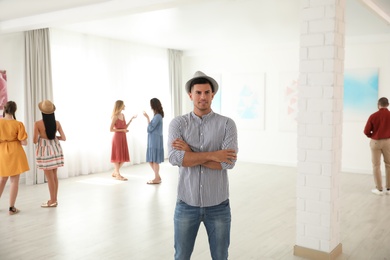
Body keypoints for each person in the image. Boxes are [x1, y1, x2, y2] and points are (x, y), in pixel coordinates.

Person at [168, 71, 238, 260]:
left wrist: (190, 153)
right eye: (198, 93)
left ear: (213, 95)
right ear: (190, 95)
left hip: (218, 205)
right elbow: (175, 158)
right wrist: (214, 155)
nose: (203, 97)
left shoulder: (227, 124)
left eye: (207, 92)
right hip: (186, 203)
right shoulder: (178, 124)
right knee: (181, 256)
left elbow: (227, 163)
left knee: (220, 256)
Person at [33, 100, 66, 208]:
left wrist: (41, 136)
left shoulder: (38, 124)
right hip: (55, 149)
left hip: (45, 151)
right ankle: (54, 200)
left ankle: (52, 201)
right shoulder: (57, 123)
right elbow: (64, 138)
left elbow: (34, 140)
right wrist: (54, 137)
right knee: (54, 176)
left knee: (50, 178)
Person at [0, 101, 29, 215]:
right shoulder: (18, 124)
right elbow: (24, 142)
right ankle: (11, 208)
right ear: (14, 111)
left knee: (2, 180)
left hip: (2, 152)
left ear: (5, 109)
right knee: (14, 181)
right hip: (15, 152)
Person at [364, 97, 390, 195]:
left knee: (376, 166)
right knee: (389, 164)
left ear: (378, 105)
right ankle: (389, 188)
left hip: (375, 142)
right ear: (388, 104)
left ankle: (379, 189)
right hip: (388, 142)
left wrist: (373, 136)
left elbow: (366, 131)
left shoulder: (373, 116)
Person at [110, 100, 137, 181]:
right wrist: (122, 131)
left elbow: (125, 127)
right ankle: (118, 174)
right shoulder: (115, 116)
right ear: (120, 106)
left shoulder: (123, 115)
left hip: (123, 137)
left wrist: (131, 120)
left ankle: (115, 172)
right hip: (117, 138)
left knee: (123, 157)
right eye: (123, 105)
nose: (125, 106)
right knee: (117, 156)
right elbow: (111, 129)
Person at [143, 98, 165, 184]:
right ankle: (157, 176)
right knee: (151, 159)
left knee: (154, 159)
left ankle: (156, 178)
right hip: (153, 139)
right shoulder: (157, 116)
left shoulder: (157, 116)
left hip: (155, 140)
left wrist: (147, 118)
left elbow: (150, 128)